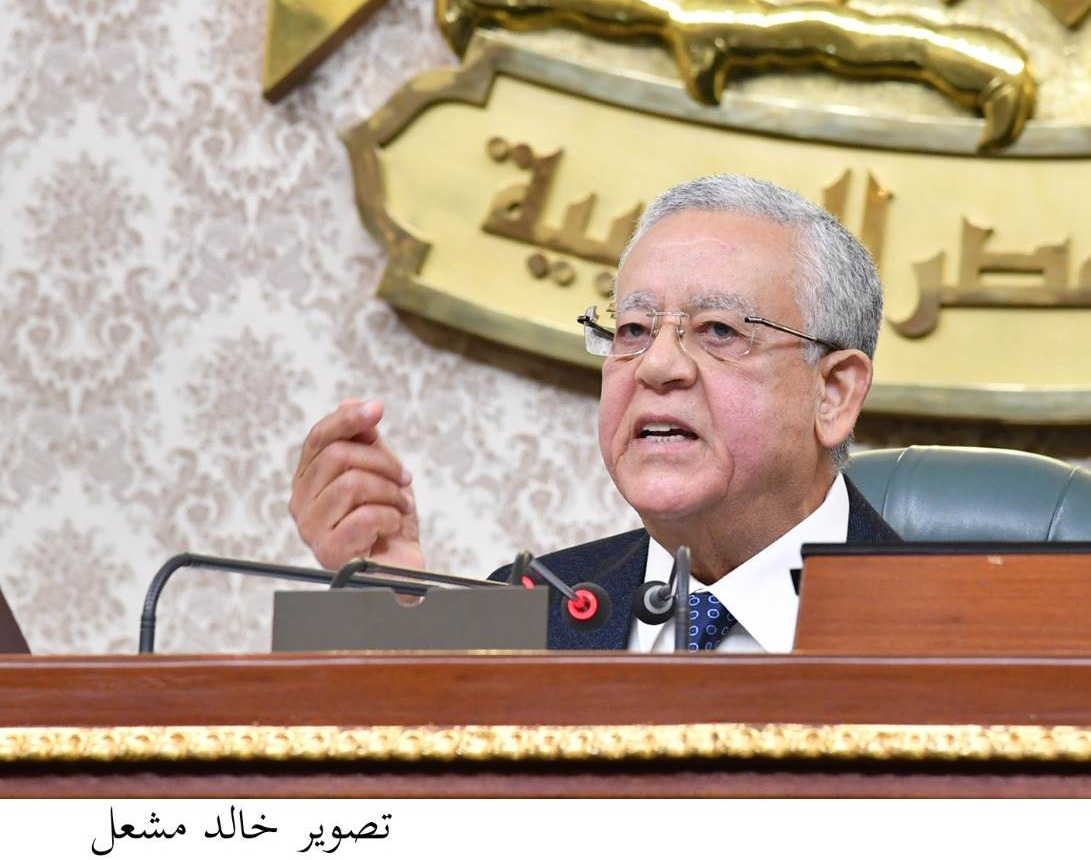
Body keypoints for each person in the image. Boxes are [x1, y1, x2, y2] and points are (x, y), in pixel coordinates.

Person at [289, 174, 899, 652]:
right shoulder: (529, 611)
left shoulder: (946, 630)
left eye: (718, 330)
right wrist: (389, 610)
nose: (657, 366)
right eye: (632, 329)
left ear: (833, 392)